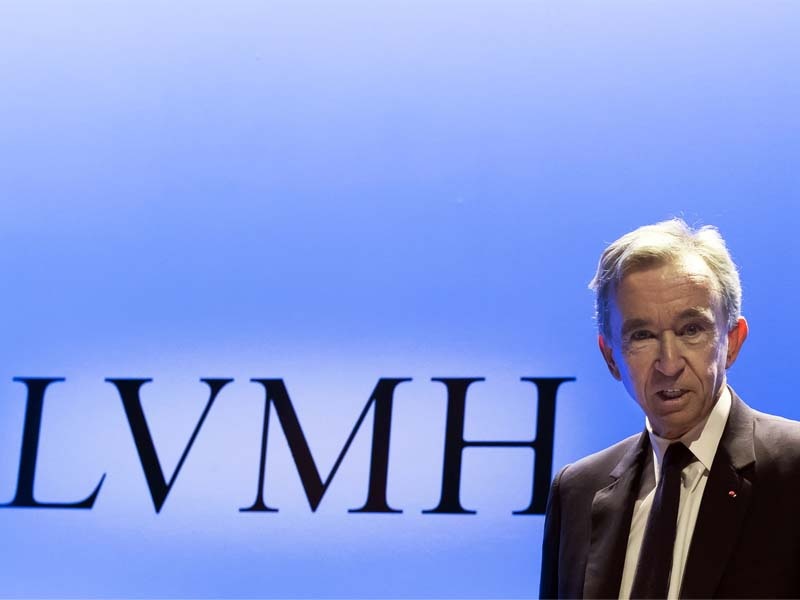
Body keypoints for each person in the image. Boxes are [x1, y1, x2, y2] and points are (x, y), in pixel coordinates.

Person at [539, 219, 800, 599]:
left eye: (691, 330)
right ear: (611, 357)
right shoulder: (577, 491)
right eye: (642, 335)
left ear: (732, 341)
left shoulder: (792, 469)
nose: (669, 363)